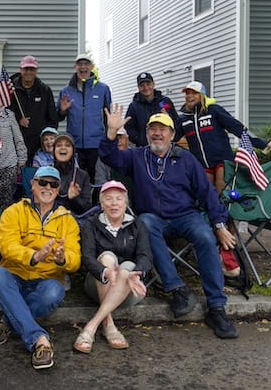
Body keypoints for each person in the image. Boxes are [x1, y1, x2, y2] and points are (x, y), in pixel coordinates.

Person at [99, 107, 239, 339]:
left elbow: (207, 193)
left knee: (205, 236)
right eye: (152, 129)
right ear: (147, 134)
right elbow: (109, 157)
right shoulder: (137, 156)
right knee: (144, 224)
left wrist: (219, 225)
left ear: (172, 135)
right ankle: (177, 290)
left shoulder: (186, 159)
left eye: (162, 130)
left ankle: (216, 307)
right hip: (154, 218)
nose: (157, 134)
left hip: (186, 216)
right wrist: (111, 133)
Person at [0, 166, 81, 370]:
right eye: (43, 183)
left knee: (54, 293)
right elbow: (7, 246)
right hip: (15, 274)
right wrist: (34, 256)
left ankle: (7, 322)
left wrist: (63, 260)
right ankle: (39, 339)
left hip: (47, 279)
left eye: (53, 184)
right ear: (33, 184)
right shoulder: (14, 212)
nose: (48, 187)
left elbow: (76, 259)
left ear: (58, 189)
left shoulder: (68, 220)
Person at [177, 80, 270, 278]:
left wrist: (261, 144)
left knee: (222, 201)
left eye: (193, 93)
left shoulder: (214, 110)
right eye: (187, 94)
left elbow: (237, 128)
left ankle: (227, 251)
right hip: (202, 165)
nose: (189, 97)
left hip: (222, 161)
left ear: (202, 95)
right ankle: (211, 245)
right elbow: (171, 136)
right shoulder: (183, 117)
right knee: (205, 203)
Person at [74, 180, 150, 353]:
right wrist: (105, 272)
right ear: (101, 204)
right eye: (108, 199)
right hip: (97, 285)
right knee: (106, 258)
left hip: (130, 290)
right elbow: (87, 257)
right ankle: (109, 325)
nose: (114, 203)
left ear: (125, 203)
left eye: (118, 199)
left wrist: (135, 273)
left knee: (128, 267)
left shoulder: (138, 224)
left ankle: (91, 327)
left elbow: (145, 257)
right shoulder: (91, 224)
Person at [57, 53, 112, 182]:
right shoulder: (66, 91)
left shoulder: (102, 89)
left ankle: (95, 202)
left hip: (96, 144)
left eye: (86, 64)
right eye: (80, 64)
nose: (83, 67)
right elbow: (58, 117)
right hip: (74, 145)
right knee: (76, 180)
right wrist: (62, 111)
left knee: (96, 179)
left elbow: (108, 116)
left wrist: (108, 140)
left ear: (92, 67)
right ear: (75, 67)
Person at [8, 55, 58, 165]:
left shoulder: (44, 90)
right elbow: (4, 115)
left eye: (32, 69)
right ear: (20, 70)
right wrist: (18, 120)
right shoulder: (10, 90)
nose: (29, 72)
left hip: (37, 147)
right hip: (15, 145)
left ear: (36, 70)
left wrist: (45, 140)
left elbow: (52, 119)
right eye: (26, 69)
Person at [124, 72, 180, 148]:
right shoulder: (134, 106)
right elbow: (128, 127)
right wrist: (139, 139)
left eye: (148, 84)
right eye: (142, 86)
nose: (146, 88)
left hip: (164, 147)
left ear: (153, 84)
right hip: (144, 148)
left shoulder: (164, 101)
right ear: (138, 87)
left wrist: (169, 118)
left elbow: (176, 121)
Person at [52, 132, 92, 216]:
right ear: (54, 151)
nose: (63, 147)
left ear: (73, 151)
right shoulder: (46, 173)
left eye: (67, 145)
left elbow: (86, 209)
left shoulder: (82, 175)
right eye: (59, 145)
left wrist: (75, 198)